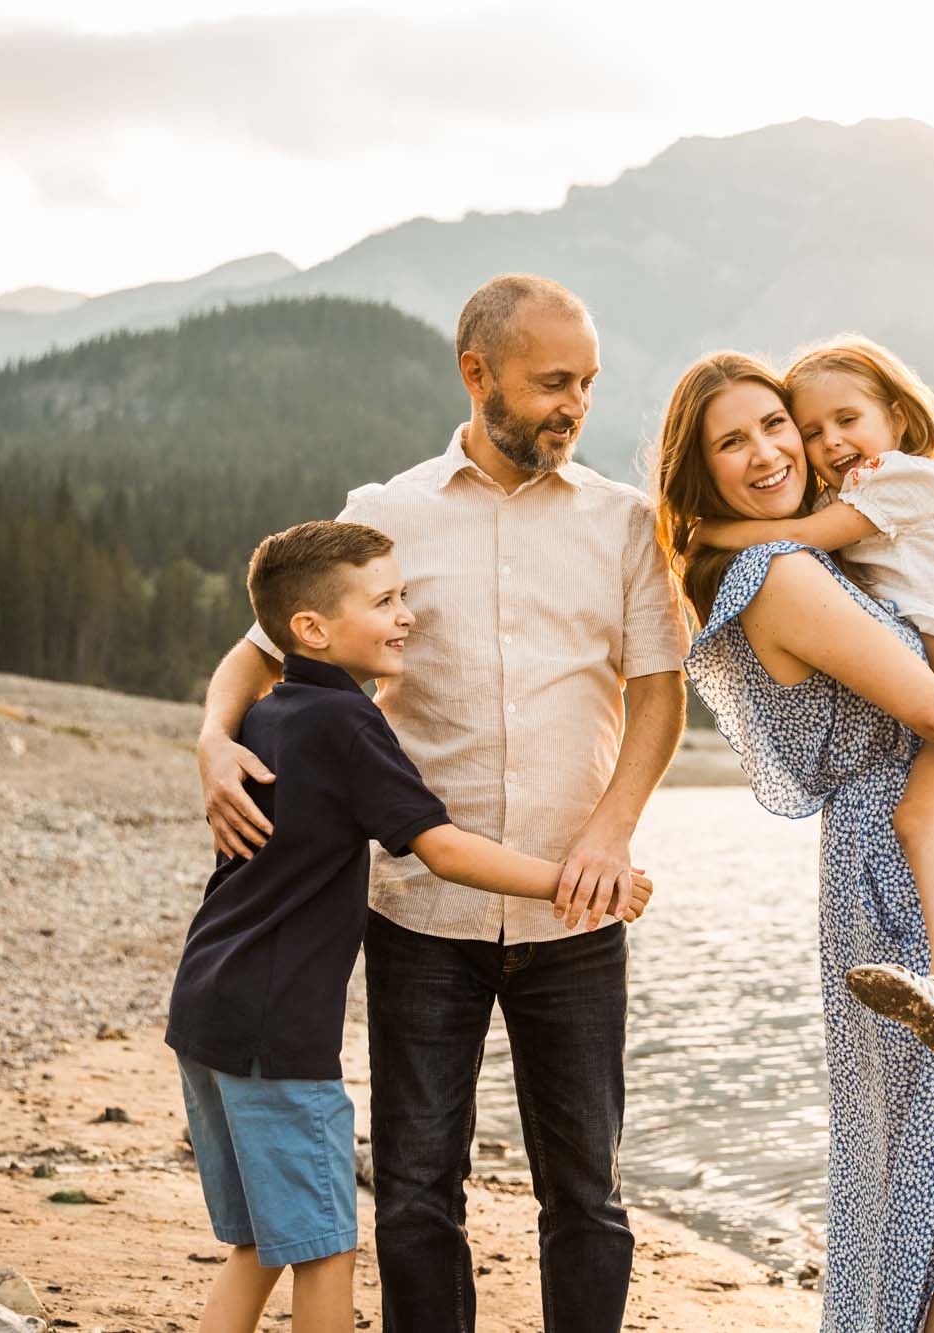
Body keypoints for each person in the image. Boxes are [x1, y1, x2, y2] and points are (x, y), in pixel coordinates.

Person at [196, 275, 689, 1333]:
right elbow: (264, 642)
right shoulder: (384, 513)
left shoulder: (622, 523)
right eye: (551, 381)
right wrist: (209, 740)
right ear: (477, 374)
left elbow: (659, 690)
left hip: (576, 906)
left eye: (587, 385)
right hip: (420, 912)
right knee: (418, 1190)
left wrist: (610, 832)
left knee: (587, 1196)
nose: (572, 404)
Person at [652, 352, 934, 1332]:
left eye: (776, 427)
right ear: (699, 470)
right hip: (901, 861)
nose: (772, 450)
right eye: (733, 440)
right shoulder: (781, 569)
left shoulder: (837, 551)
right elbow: (932, 703)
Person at [168, 520, 651, 1333]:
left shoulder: (267, 716)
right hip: (274, 1029)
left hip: (209, 1003)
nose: (406, 616)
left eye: (405, 597)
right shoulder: (348, 723)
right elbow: (444, 849)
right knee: (324, 1246)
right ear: (312, 629)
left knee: (261, 1241)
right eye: (385, 601)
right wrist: (576, 882)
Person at [690, 335, 934, 1060]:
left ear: (896, 415)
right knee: (925, 818)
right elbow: (930, 699)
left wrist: (707, 530)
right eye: (812, 431)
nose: (826, 444)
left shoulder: (897, 483)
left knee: (927, 818)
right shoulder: (799, 557)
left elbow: (801, 530)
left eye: (846, 420)